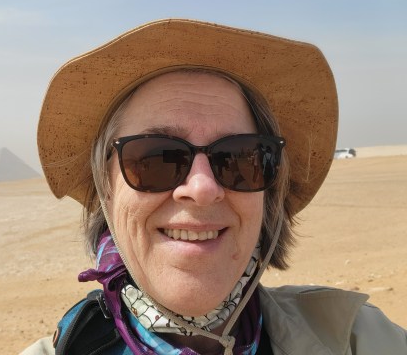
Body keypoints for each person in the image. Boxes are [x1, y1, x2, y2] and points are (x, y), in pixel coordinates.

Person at [22, 19, 406, 354]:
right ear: (105, 188)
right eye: (156, 158)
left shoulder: (356, 338)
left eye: (239, 159)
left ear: (268, 194)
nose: (203, 188)